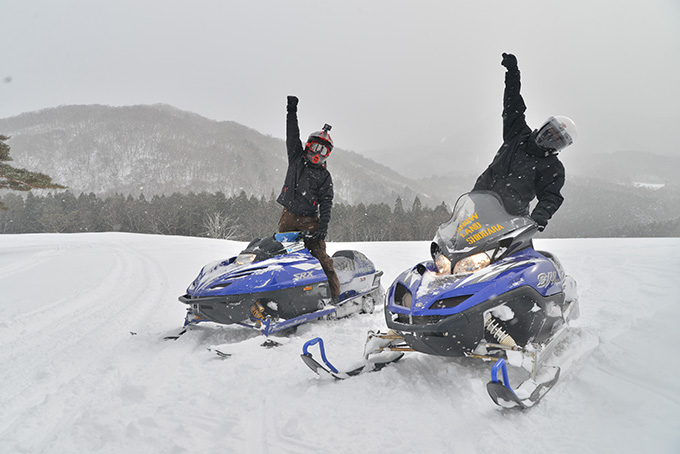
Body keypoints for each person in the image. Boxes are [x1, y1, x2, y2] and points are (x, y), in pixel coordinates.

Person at [473, 53, 577, 231]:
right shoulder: (518, 134)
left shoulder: (552, 167)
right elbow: (512, 103)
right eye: (549, 133)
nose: (549, 139)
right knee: (454, 250)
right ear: (543, 127)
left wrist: (539, 217)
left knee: (510, 257)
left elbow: (551, 196)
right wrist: (513, 73)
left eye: (557, 140)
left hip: (511, 220)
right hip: (478, 204)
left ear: (561, 147)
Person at [276, 95, 341, 302]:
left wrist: (322, 227)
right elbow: (291, 134)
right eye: (316, 147)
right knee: (283, 258)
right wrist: (291, 111)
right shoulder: (296, 158)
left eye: (324, 151)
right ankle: (285, 297)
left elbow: (327, 203)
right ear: (308, 145)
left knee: (321, 259)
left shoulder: (324, 176)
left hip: (309, 221)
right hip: (287, 218)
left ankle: (334, 298)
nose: (318, 153)